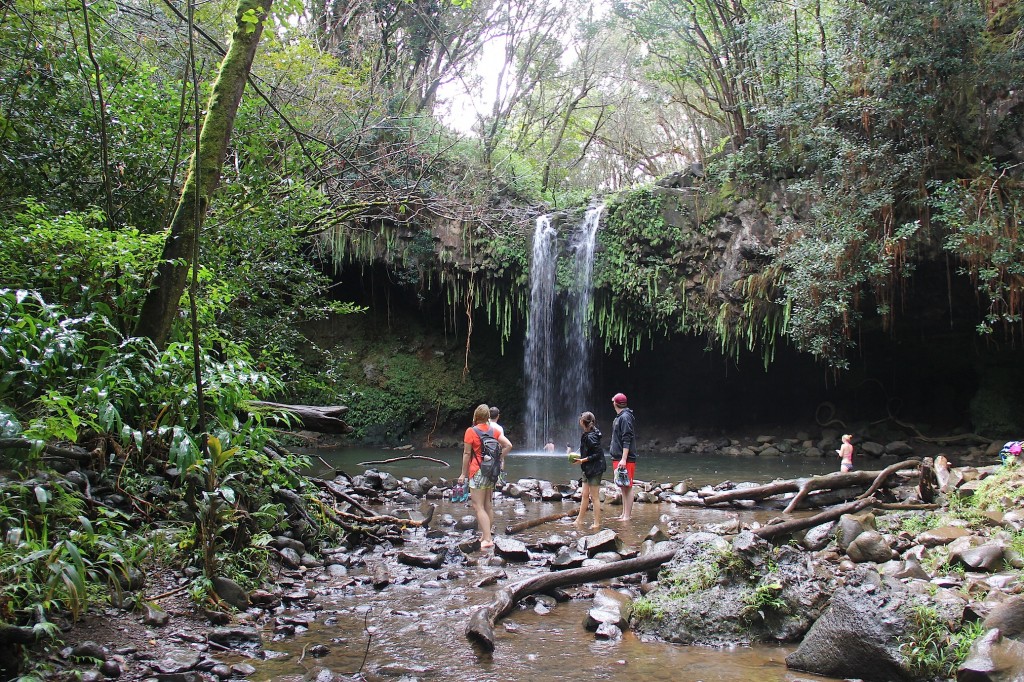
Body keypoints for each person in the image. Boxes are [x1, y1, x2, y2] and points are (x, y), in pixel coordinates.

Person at [459, 404, 512, 550]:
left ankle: (487, 539)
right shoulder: (493, 430)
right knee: (488, 505)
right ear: (488, 416)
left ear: (476, 416)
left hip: (477, 471)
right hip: (492, 471)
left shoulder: (471, 431)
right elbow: (508, 445)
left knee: (478, 506)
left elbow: (467, 454)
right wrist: (498, 457)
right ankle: (486, 535)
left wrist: (463, 473)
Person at [570, 411, 605, 530]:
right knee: (585, 494)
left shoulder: (591, 436)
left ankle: (596, 523)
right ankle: (579, 519)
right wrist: (580, 458)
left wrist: (582, 460)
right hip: (587, 468)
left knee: (594, 497)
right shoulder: (588, 433)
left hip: (595, 469)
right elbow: (586, 450)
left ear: (582, 422)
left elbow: (598, 454)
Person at [609, 392, 636, 522]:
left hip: (625, 458)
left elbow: (627, 438)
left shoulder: (625, 417)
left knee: (628, 485)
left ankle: (627, 516)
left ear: (616, 403)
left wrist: (624, 459)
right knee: (623, 485)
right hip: (619, 457)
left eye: (613, 401)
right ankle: (624, 514)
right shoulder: (621, 416)